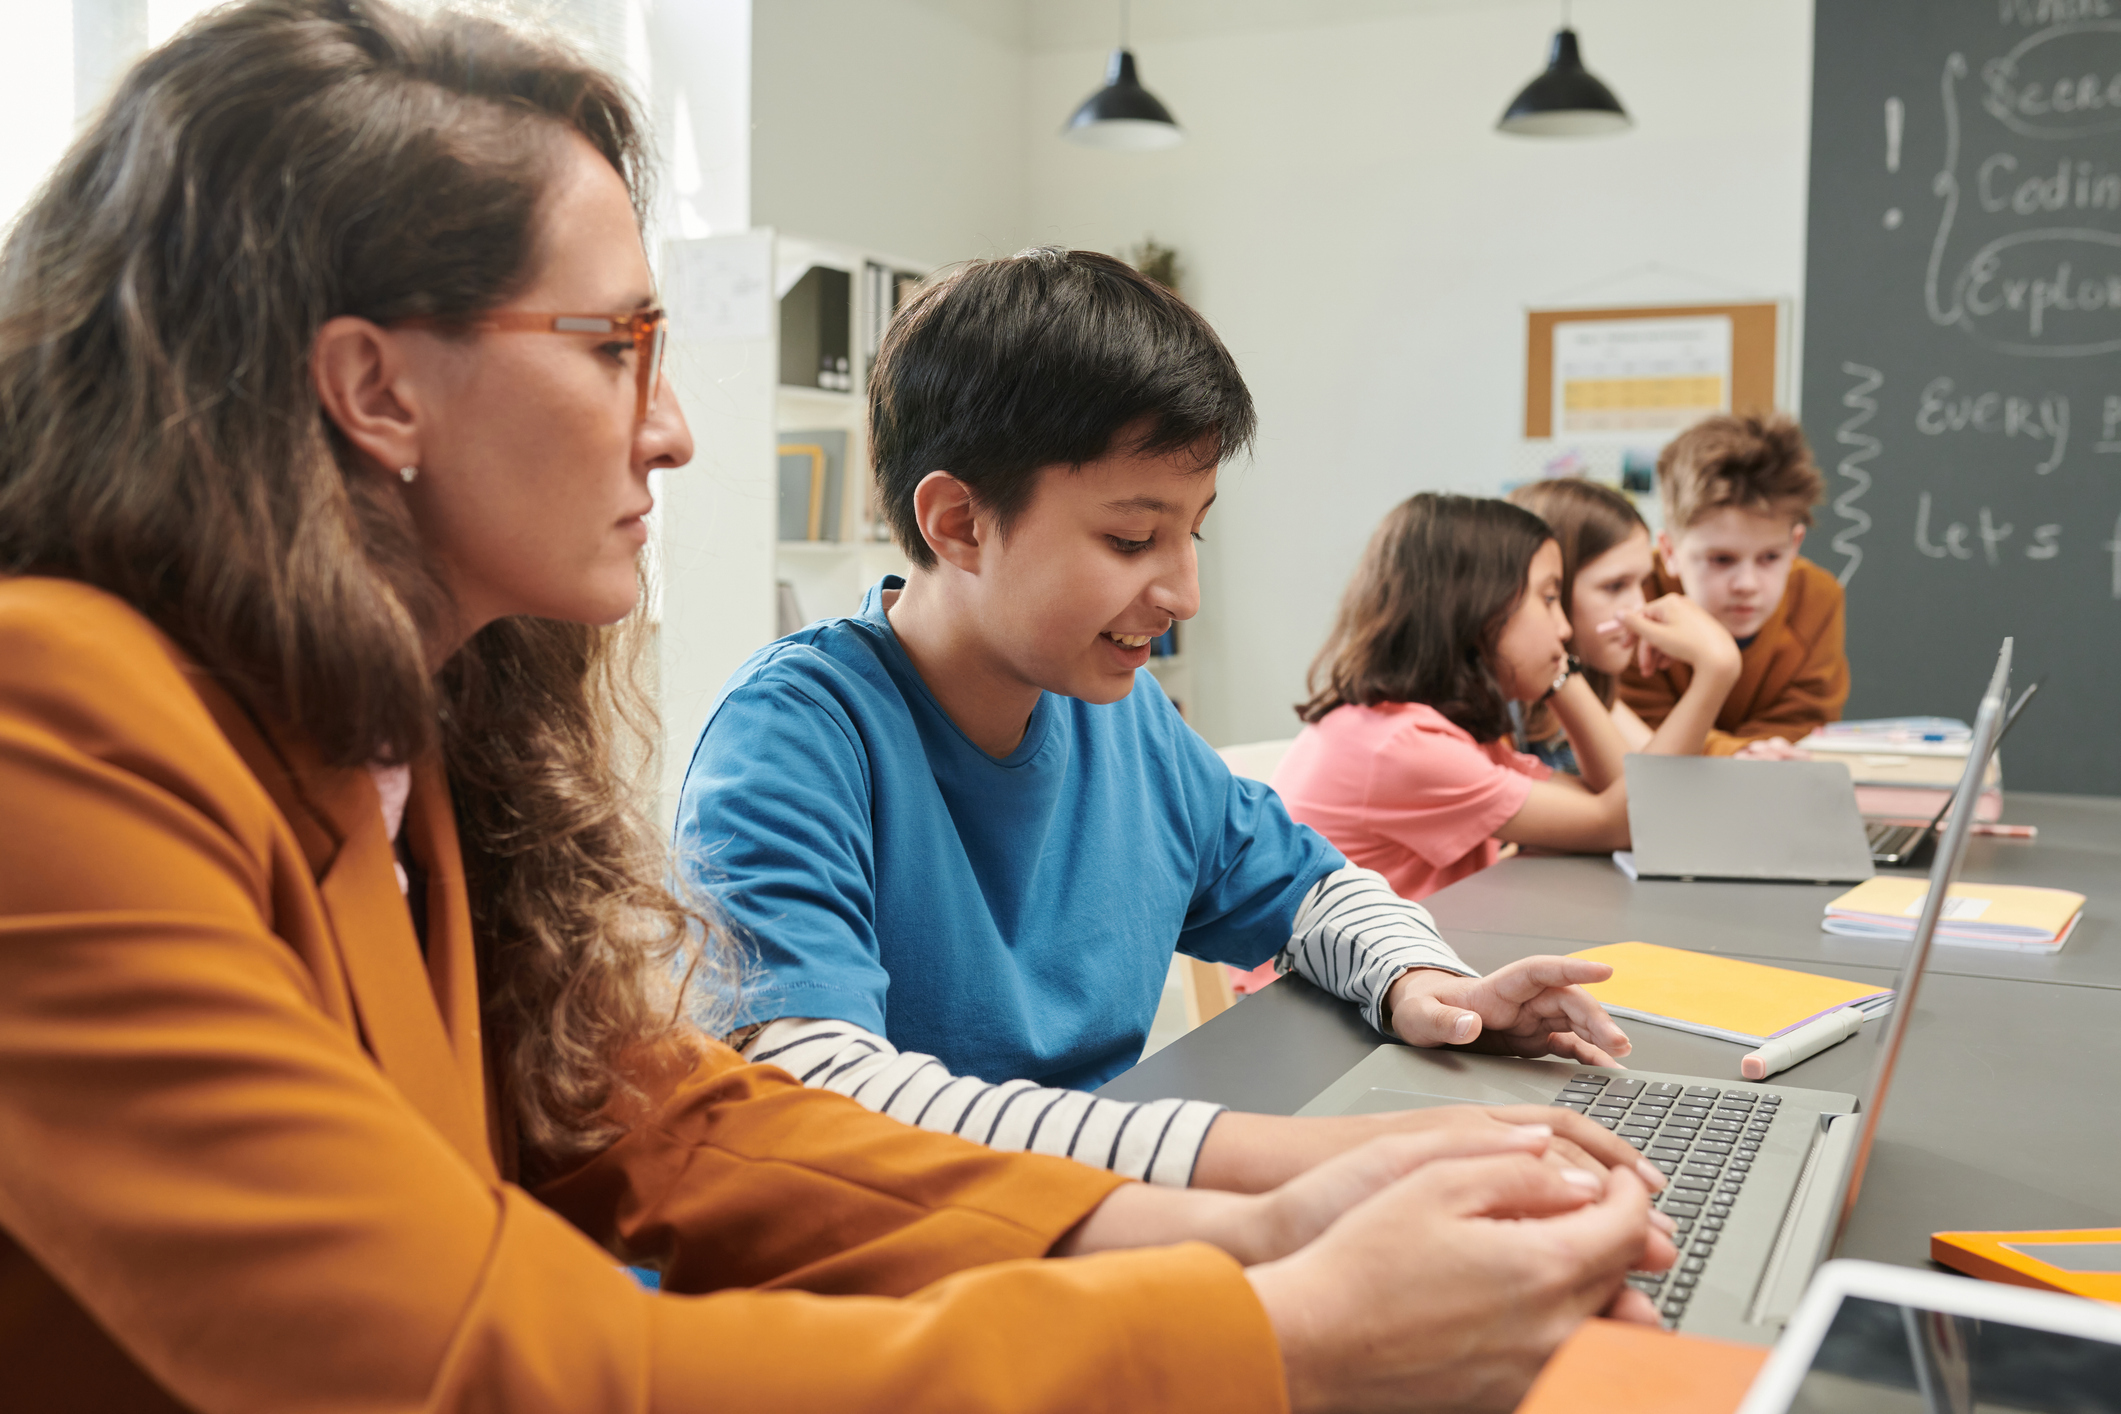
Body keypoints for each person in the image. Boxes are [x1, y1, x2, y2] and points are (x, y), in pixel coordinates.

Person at [0, 5, 1679, 1409]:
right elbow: (477, 1358)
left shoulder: (391, 739)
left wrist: (1257, 1215)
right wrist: (1280, 1325)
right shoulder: (50, 719)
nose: (674, 433)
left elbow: (657, 1122)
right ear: (374, 386)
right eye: (617, 349)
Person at [678, 249, 1651, 1195]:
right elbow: (815, 1093)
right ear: (959, 524)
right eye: (1133, 538)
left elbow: (1309, 887)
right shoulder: (794, 735)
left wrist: (1423, 979)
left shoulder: (1123, 712)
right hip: (895, 1276)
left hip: (1094, 1212)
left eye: (1194, 531)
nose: (1184, 591)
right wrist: (1244, 1157)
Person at [1269, 495, 1738, 901]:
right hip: (1312, 998)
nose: (1566, 628)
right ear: (1476, 608)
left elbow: (1620, 800)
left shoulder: (1442, 730)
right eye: (1549, 599)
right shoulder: (1405, 747)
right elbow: (1632, 819)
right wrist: (1716, 670)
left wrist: (1557, 673)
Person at [1618, 413, 1849, 757]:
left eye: (1770, 557)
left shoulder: (1817, 597)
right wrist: (1735, 756)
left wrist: (1740, 755)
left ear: (1794, 545)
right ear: (1670, 551)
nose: (1747, 584)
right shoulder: (1632, 596)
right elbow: (1641, 732)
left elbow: (1802, 721)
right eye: (1721, 560)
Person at [1505, 477, 1738, 773]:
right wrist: (1716, 670)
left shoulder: (1589, 686)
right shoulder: (1502, 713)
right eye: (1614, 586)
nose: (1638, 608)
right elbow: (1652, 798)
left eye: (1643, 583)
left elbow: (1661, 784)